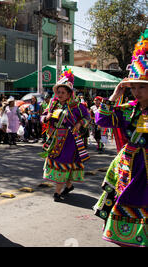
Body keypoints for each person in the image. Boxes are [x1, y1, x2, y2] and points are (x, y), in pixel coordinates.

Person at [93, 29, 148, 247]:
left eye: (142, 87)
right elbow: (101, 120)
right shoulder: (129, 110)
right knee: (123, 202)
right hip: (129, 166)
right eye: (133, 86)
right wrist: (116, 92)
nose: (136, 91)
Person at [40, 68, 91, 202]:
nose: (59, 94)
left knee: (64, 162)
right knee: (62, 164)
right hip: (55, 139)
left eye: (63, 92)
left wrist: (80, 124)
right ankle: (68, 186)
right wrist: (47, 117)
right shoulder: (53, 104)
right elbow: (43, 116)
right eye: (58, 92)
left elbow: (87, 118)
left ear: (69, 93)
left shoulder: (77, 106)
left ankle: (57, 192)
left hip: (70, 140)